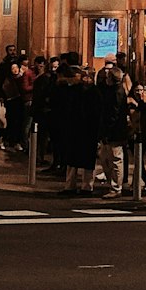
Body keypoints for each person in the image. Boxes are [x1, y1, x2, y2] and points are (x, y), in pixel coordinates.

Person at [54, 64, 100, 196]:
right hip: (76, 129)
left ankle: (85, 187)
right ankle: (72, 186)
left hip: (87, 129)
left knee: (86, 160)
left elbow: (97, 112)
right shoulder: (75, 90)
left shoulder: (92, 92)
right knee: (73, 159)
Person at [97, 64, 129, 196]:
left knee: (115, 159)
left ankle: (116, 187)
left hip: (115, 131)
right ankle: (113, 184)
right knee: (105, 157)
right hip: (111, 130)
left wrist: (106, 130)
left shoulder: (117, 92)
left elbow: (113, 114)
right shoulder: (112, 90)